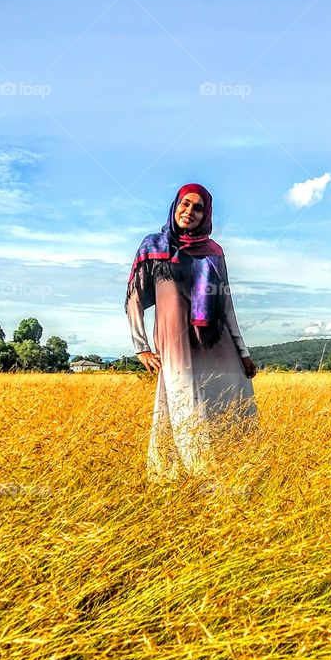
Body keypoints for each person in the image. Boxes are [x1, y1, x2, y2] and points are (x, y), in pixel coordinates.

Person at [125, 183, 258, 484]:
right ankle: (189, 479)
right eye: (186, 204)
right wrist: (141, 346)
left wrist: (244, 353)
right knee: (183, 410)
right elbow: (134, 297)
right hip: (176, 347)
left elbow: (226, 306)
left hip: (217, 348)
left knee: (224, 410)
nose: (190, 212)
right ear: (175, 205)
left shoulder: (213, 253)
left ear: (206, 214)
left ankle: (227, 479)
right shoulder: (153, 247)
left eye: (198, 208)